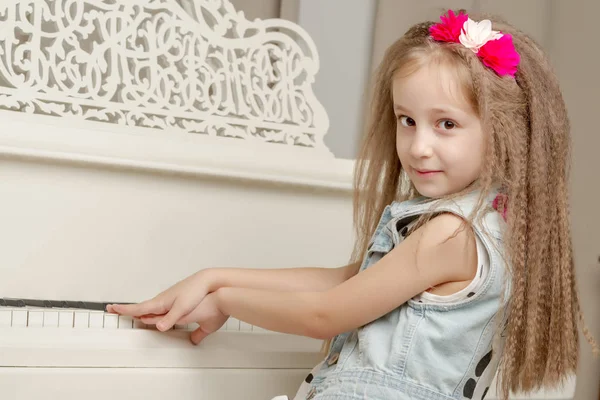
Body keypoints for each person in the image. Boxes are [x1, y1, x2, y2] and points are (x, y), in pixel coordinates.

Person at [107, 10, 597, 400]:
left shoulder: (452, 233)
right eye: (407, 120)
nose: (418, 145)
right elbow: (353, 280)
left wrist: (225, 303)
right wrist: (217, 276)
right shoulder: (481, 221)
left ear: (504, 133)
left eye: (445, 124)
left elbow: (326, 315)